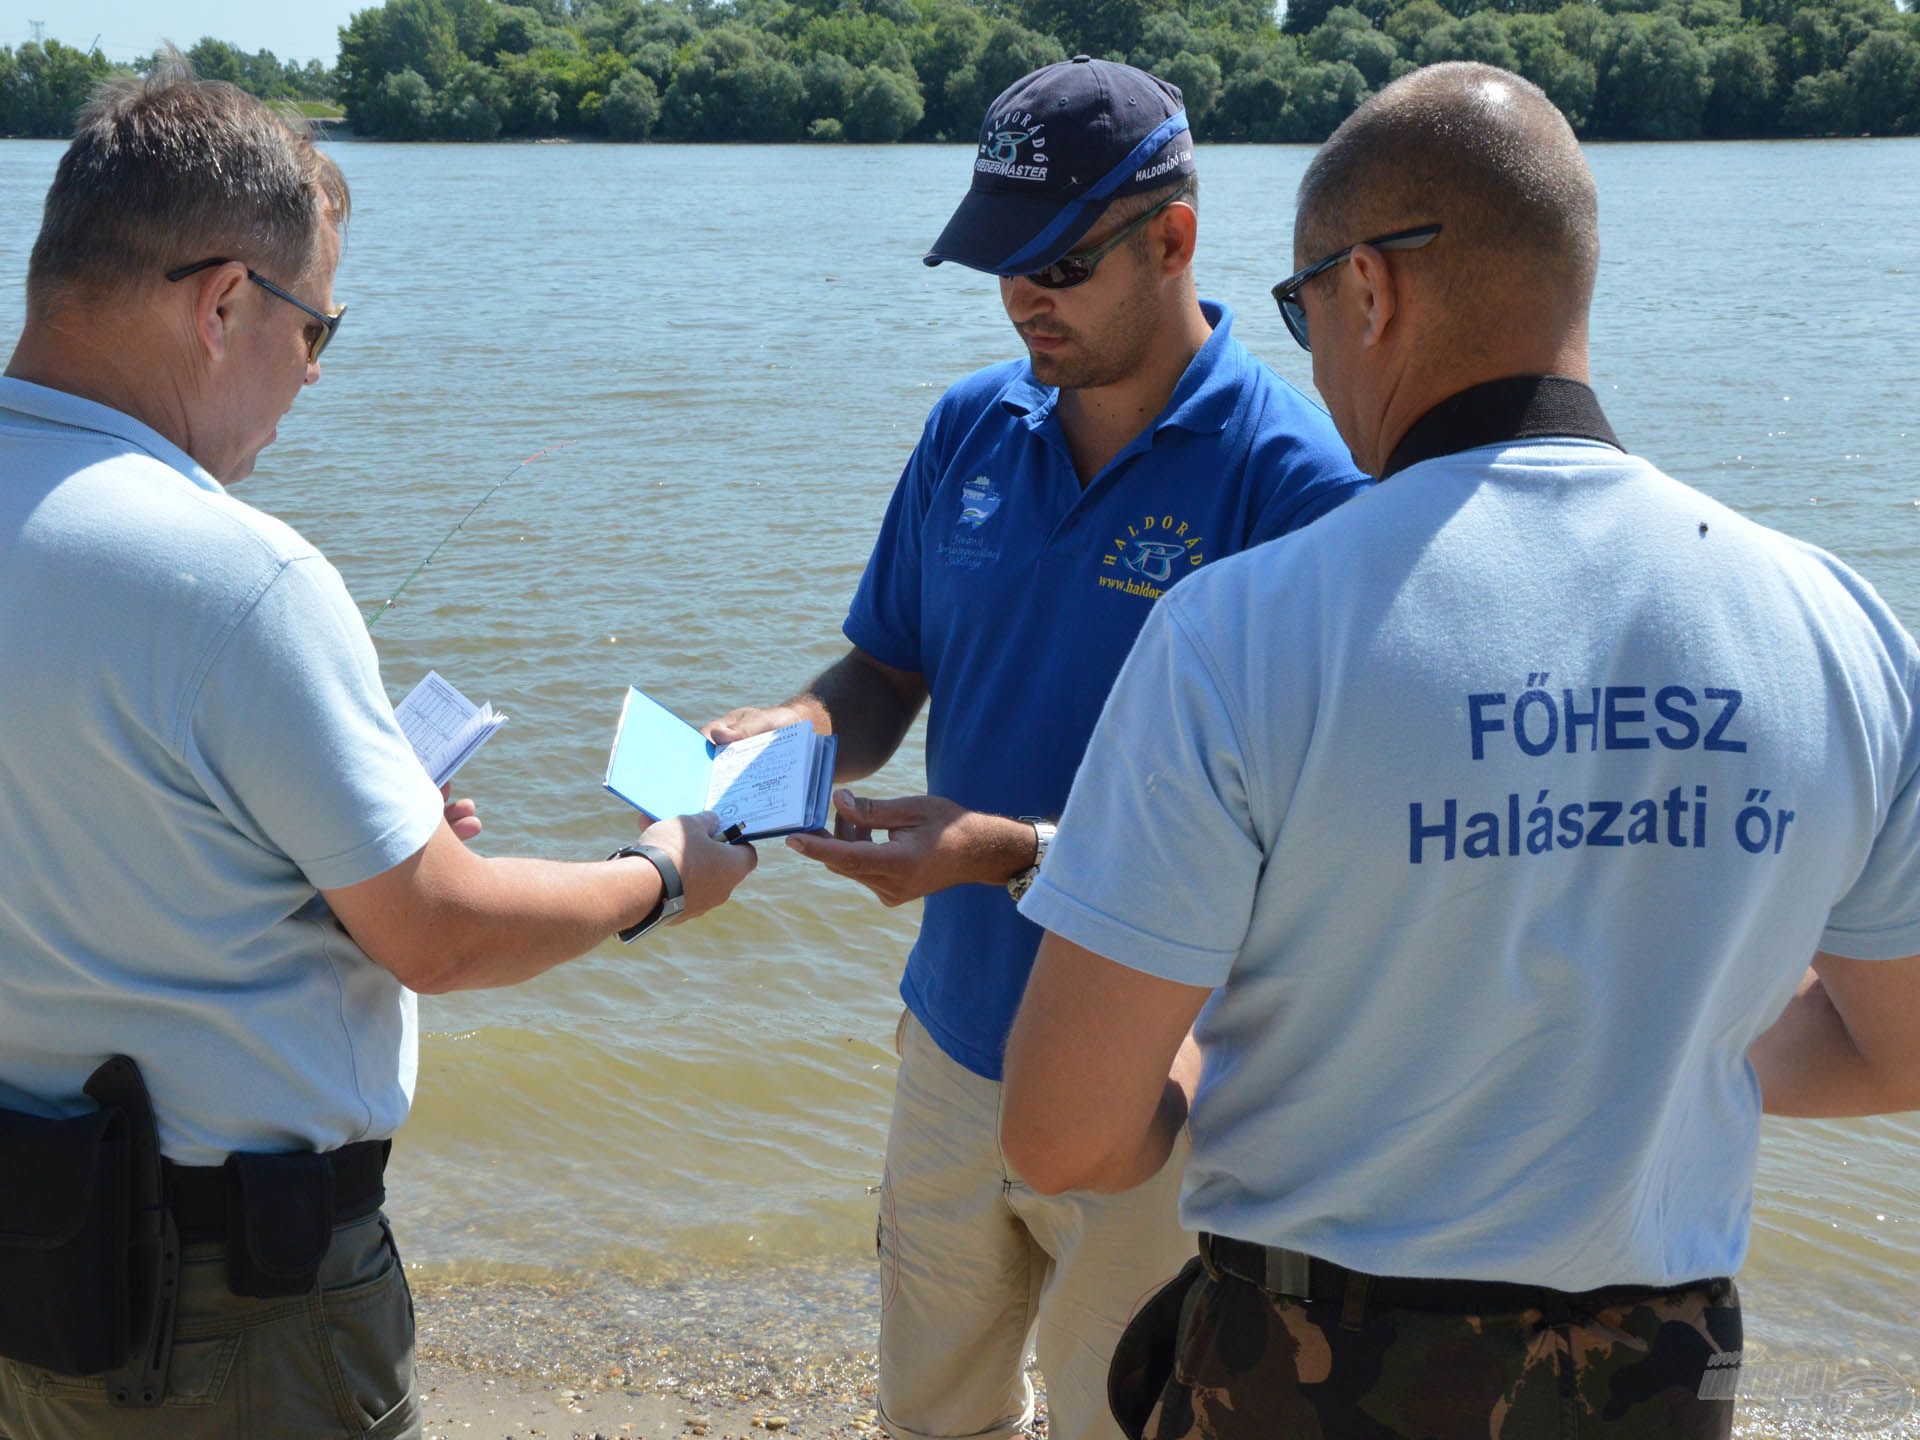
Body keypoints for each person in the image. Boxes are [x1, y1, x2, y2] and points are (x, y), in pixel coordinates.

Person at [1001, 61, 1920, 1440]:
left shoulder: (1242, 630)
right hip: (1657, 1380)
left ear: (1371, 289)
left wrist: (1191, 1076)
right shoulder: (1834, 624)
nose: (1310, 351)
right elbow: (1893, 1049)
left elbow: (1062, 1134)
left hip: (1308, 1369)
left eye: (1303, 306)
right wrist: (1668, 1047)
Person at [0, 60, 755, 1440]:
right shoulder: (237, 579)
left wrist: (316, 855)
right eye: (316, 331)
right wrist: (656, 874)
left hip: (30, 1250)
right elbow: (439, 935)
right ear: (226, 301)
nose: (309, 379)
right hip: (236, 1303)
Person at [706, 56, 1368, 1440]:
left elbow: (1319, 843)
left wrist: (1006, 853)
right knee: (928, 1414)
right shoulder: (969, 427)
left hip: (1162, 1075)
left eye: (1056, 263)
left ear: (1174, 237)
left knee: (1115, 1418)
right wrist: (809, 728)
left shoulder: (1294, 481)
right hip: (952, 1039)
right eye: (998, 260)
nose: (1023, 298)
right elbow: (888, 663)